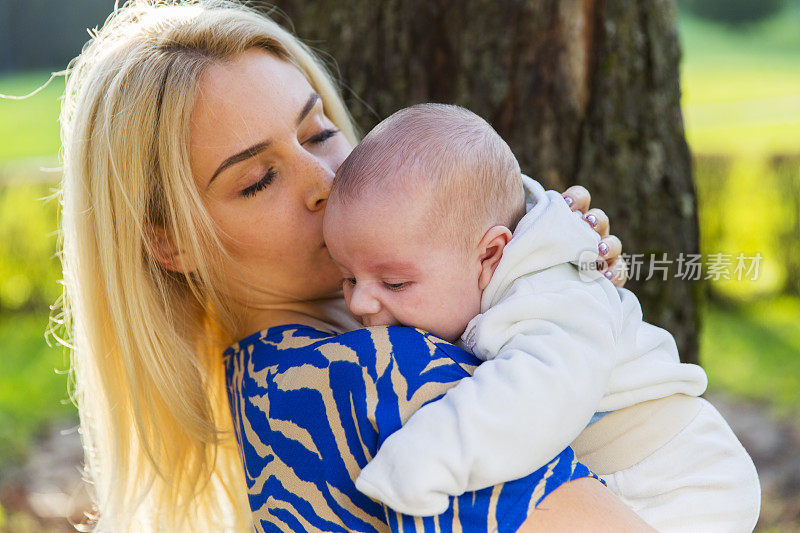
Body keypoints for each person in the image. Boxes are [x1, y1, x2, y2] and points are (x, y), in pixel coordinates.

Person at [56, 1, 647, 531]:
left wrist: (539, 290)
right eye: (258, 180)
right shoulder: (384, 382)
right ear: (171, 245)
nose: (326, 180)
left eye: (316, 133)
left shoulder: (260, 391)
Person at [323, 103, 761, 531]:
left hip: (677, 476)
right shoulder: (464, 267)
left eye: (394, 283)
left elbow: (536, 390)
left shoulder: (551, 291)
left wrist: (423, 458)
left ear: (490, 254)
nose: (360, 303)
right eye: (347, 278)